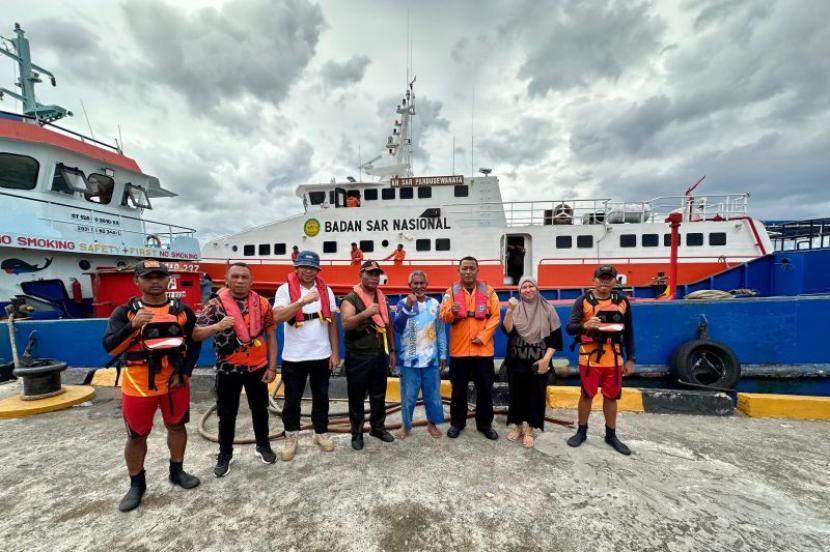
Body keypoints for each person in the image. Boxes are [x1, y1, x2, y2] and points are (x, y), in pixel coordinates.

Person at [102, 260, 201, 512]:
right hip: (138, 385)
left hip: (174, 383)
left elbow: (195, 341)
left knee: (177, 427)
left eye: (160, 276)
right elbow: (110, 347)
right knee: (136, 436)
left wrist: (185, 371)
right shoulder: (124, 313)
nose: (155, 281)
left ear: (168, 279)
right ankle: (137, 485)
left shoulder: (182, 310)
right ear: (137, 280)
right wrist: (132, 326)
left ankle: (177, 471)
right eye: (148, 277)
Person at [194, 262, 278, 477]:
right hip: (227, 370)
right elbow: (195, 334)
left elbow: (270, 335)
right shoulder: (214, 305)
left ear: (251, 281)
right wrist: (216, 327)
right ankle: (225, 454)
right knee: (226, 414)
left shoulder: (263, 303)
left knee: (260, 410)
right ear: (227, 279)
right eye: (235, 277)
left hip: (258, 368)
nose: (240, 281)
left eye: (244, 277)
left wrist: (272, 366)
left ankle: (263, 445)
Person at [272, 250, 339, 460]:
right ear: (297, 268)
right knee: (292, 399)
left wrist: (335, 352)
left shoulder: (326, 290)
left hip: (321, 354)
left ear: (317, 270)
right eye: (304, 267)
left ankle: (320, 432)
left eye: (312, 268)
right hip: (294, 355)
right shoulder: (284, 290)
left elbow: (332, 324)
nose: (308, 271)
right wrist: (302, 301)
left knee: (322, 397)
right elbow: (277, 317)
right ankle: (291, 436)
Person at [565, 264, 635, 455]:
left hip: (613, 357)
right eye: (601, 278)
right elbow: (570, 328)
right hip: (589, 357)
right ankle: (581, 431)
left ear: (614, 281)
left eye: (608, 278)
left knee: (611, 397)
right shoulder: (583, 301)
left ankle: (611, 435)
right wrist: (584, 325)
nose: (604, 282)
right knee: (586, 394)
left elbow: (628, 332)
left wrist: (631, 359)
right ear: (593, 280)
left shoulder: (622, 301)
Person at [439, 256, 501, 440]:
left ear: (477, 270)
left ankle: (484, 424)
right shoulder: (450, 292)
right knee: (458, 390)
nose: (468, 271)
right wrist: (452, 312)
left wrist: (483, 337)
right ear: (458, 271)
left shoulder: (489, 291)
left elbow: (495, 316)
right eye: (464, 268)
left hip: (483, 351)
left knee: (485, 390)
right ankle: (457, 423)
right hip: (459, 352)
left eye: (471, 268)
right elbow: (443, 317)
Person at [340, 260, 396, 450]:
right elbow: (346, 324)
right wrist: (365, 314)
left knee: (379, 395)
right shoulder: (350, 299)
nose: (374, 277)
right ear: (361, 274)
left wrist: (393, 351)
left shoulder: (383, 299)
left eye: (376, 274)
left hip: (380, 355)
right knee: (356, 397)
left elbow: (388, 326)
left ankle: (377, 428)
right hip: (358, 357)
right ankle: (356, 433)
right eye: (370, 273)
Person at [502, 276, 563, 448]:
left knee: (535, 396)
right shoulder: (516, 308)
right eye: (524, 287)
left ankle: (530, 430)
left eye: (531, 286)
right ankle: (518, 427)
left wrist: (546, 360)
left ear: (537, 289)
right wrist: (510, 310)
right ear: (520, 291)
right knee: (516, 396)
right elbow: (507, 330)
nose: (527, 289)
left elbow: (556, 339)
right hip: (516, 361)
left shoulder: (548, 309)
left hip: (539, 363)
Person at [393, 270, 447, 440]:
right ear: (409, 286)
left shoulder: (435, 304)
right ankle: (406, 425)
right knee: (408, 397)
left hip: (431, 359)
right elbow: (397, 327)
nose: (419, 286)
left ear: (427, 284)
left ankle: (432, 424)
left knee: (433, 395)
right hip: (409, 360)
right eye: (415, 283)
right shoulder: (402, 304)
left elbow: (440, 331)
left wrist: (443, 354)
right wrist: (408, 306)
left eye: (422, 283)